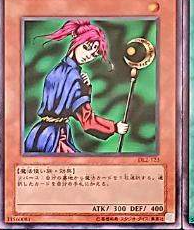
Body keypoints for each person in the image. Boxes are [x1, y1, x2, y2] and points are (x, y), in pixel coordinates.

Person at [22, 20, 128, 153]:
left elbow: (65, 101)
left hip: (38, 134)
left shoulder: (58, 70)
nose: (88, 55)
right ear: (76, 42)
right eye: (87, 47)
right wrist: (115, 127)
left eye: (94, 54)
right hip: (56, 139)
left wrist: (85, 90)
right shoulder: (74, 77)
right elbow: (87, 122)